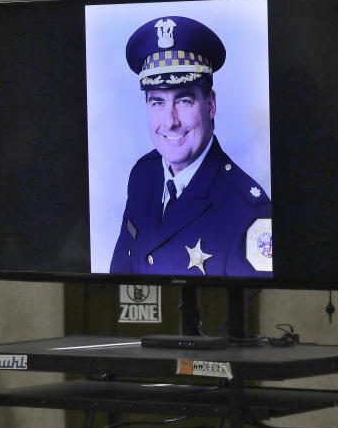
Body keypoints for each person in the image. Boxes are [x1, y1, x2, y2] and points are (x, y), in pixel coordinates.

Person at [109, 15, 272, 277]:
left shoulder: (249, 212)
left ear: (210, 105)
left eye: (183, 101)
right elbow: (119, 273)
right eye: (157, 103)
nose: (170, 122)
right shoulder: (143, 174)